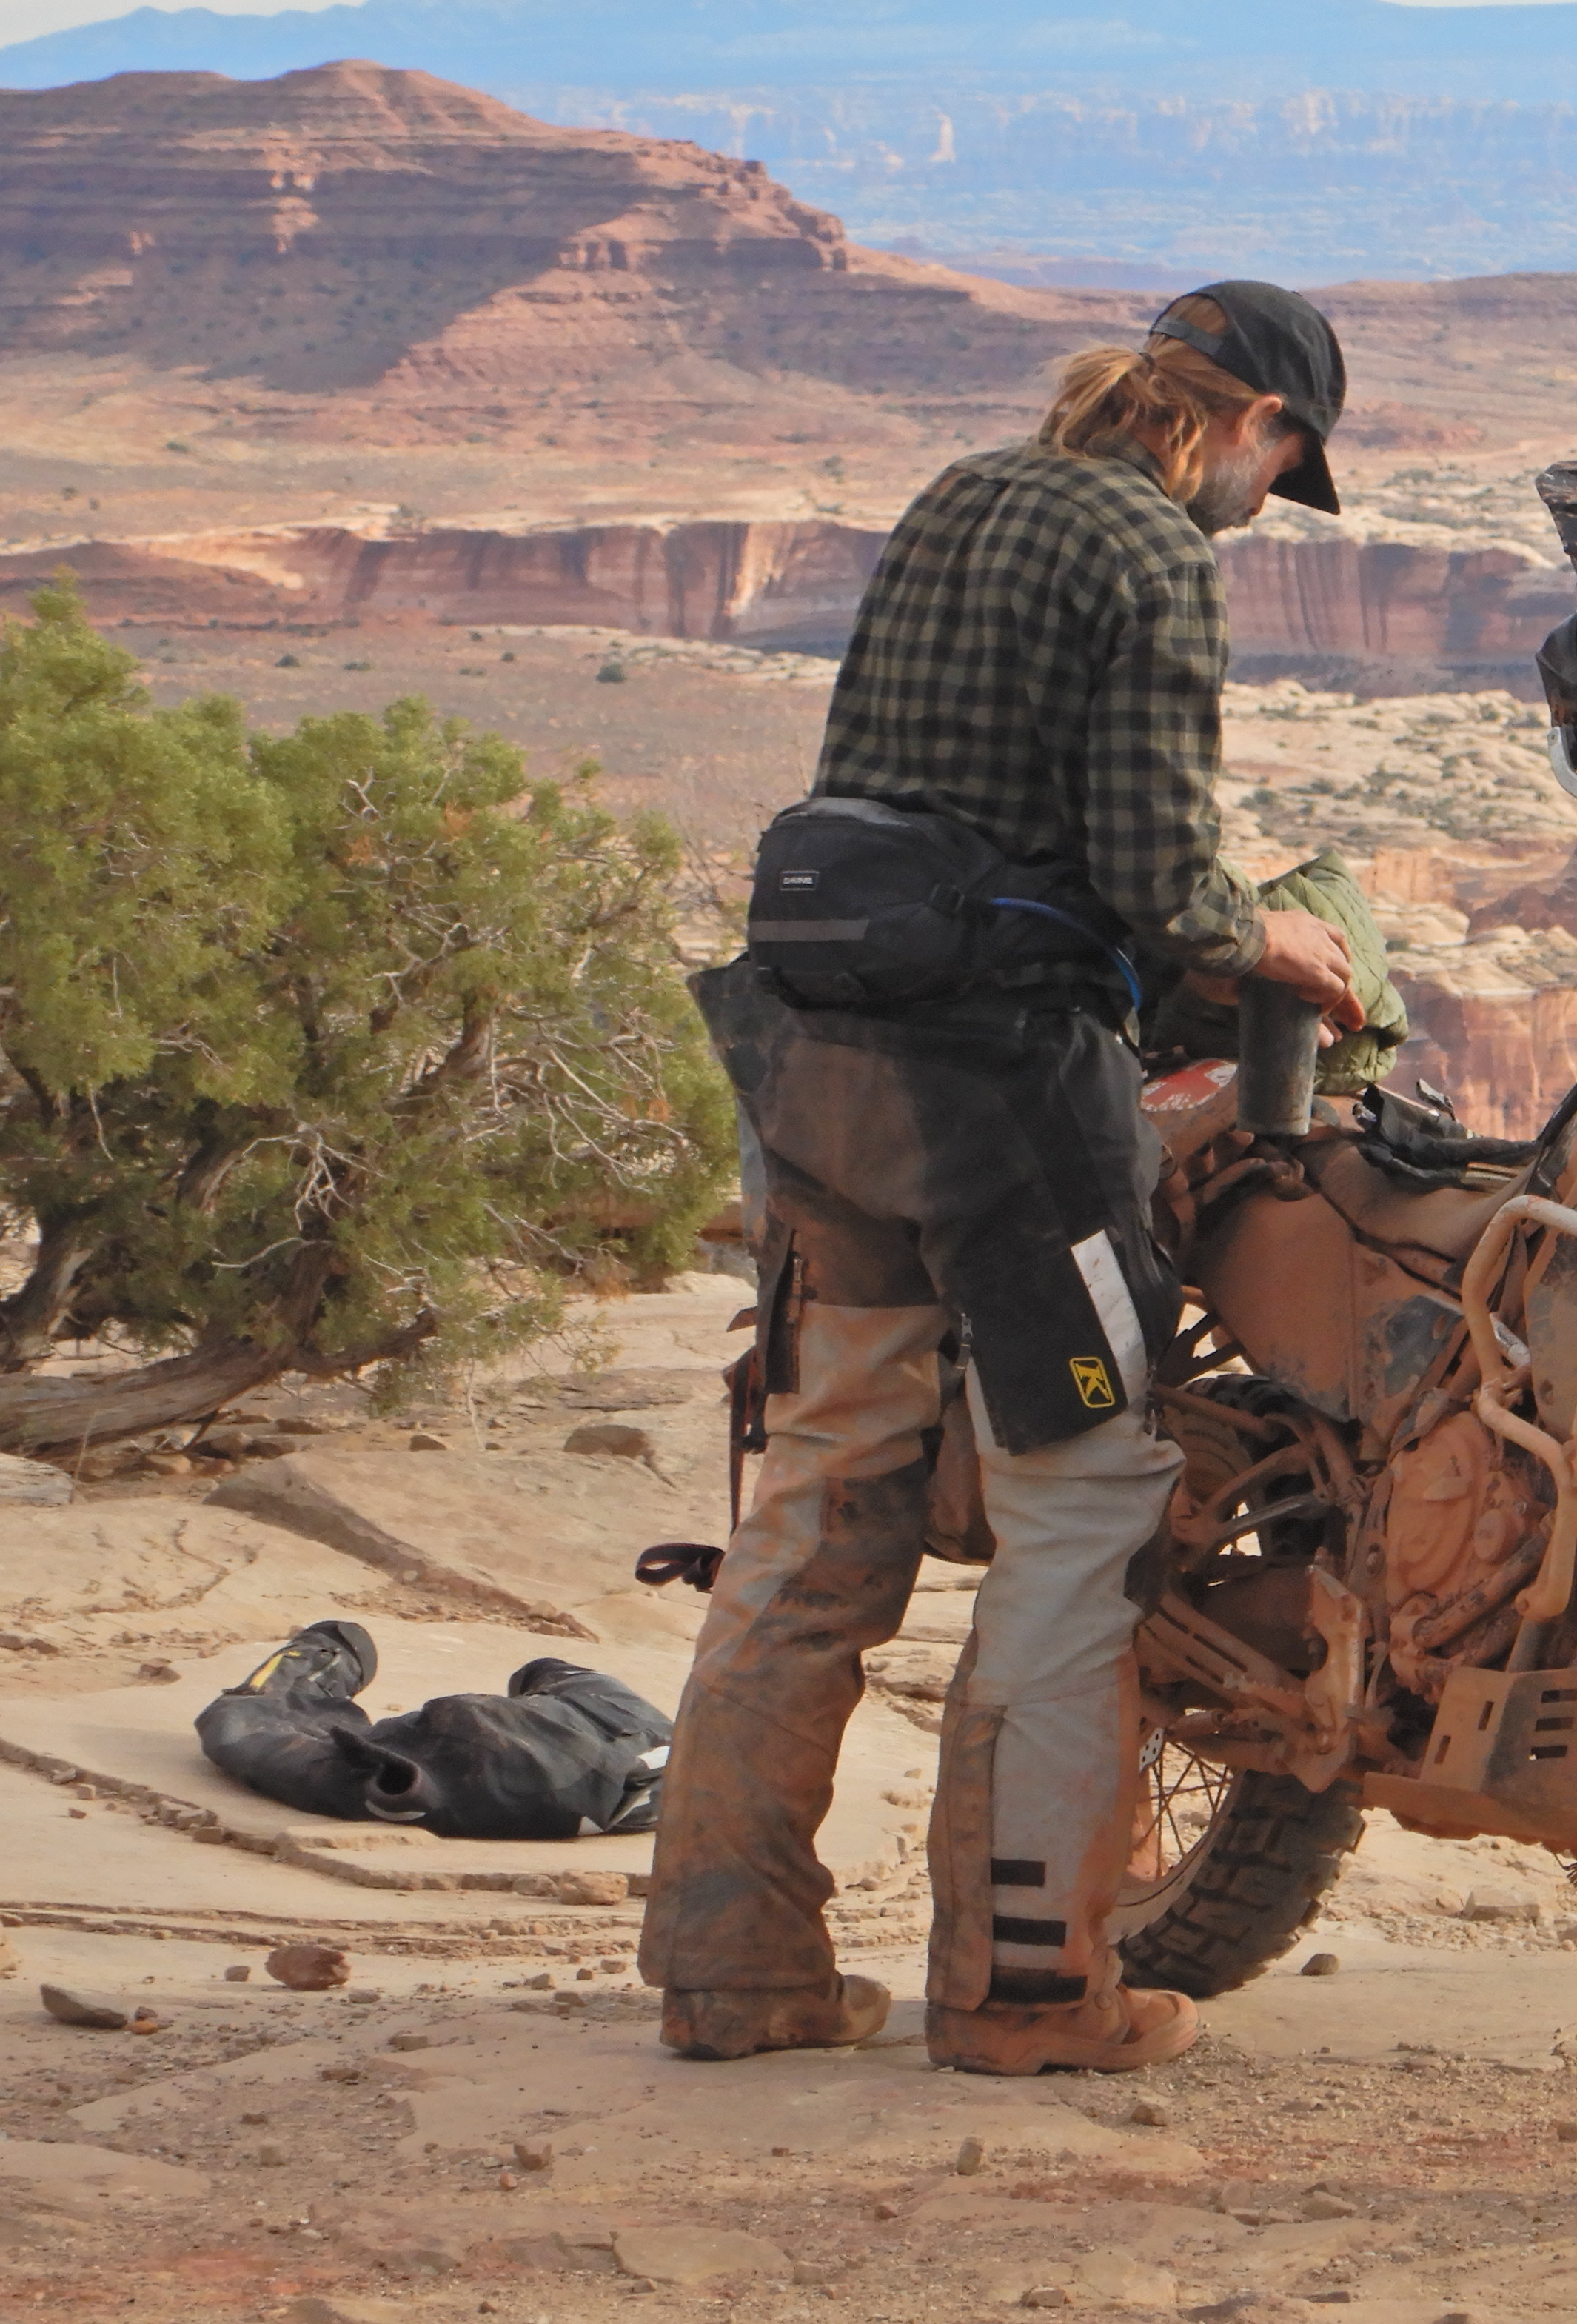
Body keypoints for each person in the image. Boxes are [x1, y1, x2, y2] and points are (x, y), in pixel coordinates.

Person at [637, 282, 1363, 2076]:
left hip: (816, 1063)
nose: (1272, 502)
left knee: (816, 1505)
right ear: (1253, 423)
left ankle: (734, 1970)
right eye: (1287, 463)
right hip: (1001, 1102)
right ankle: (1031, 1989)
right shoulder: (1153, 555)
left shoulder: (963, 493)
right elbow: (1164, 882)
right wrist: (1282, 936)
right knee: (1083, 1499)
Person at [195, 1620, 671, 1839]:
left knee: (248, 1727)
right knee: (249, 1727)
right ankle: (329, 1651)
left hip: (621, 1740)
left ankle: (331, 1650)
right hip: (633, 1761)